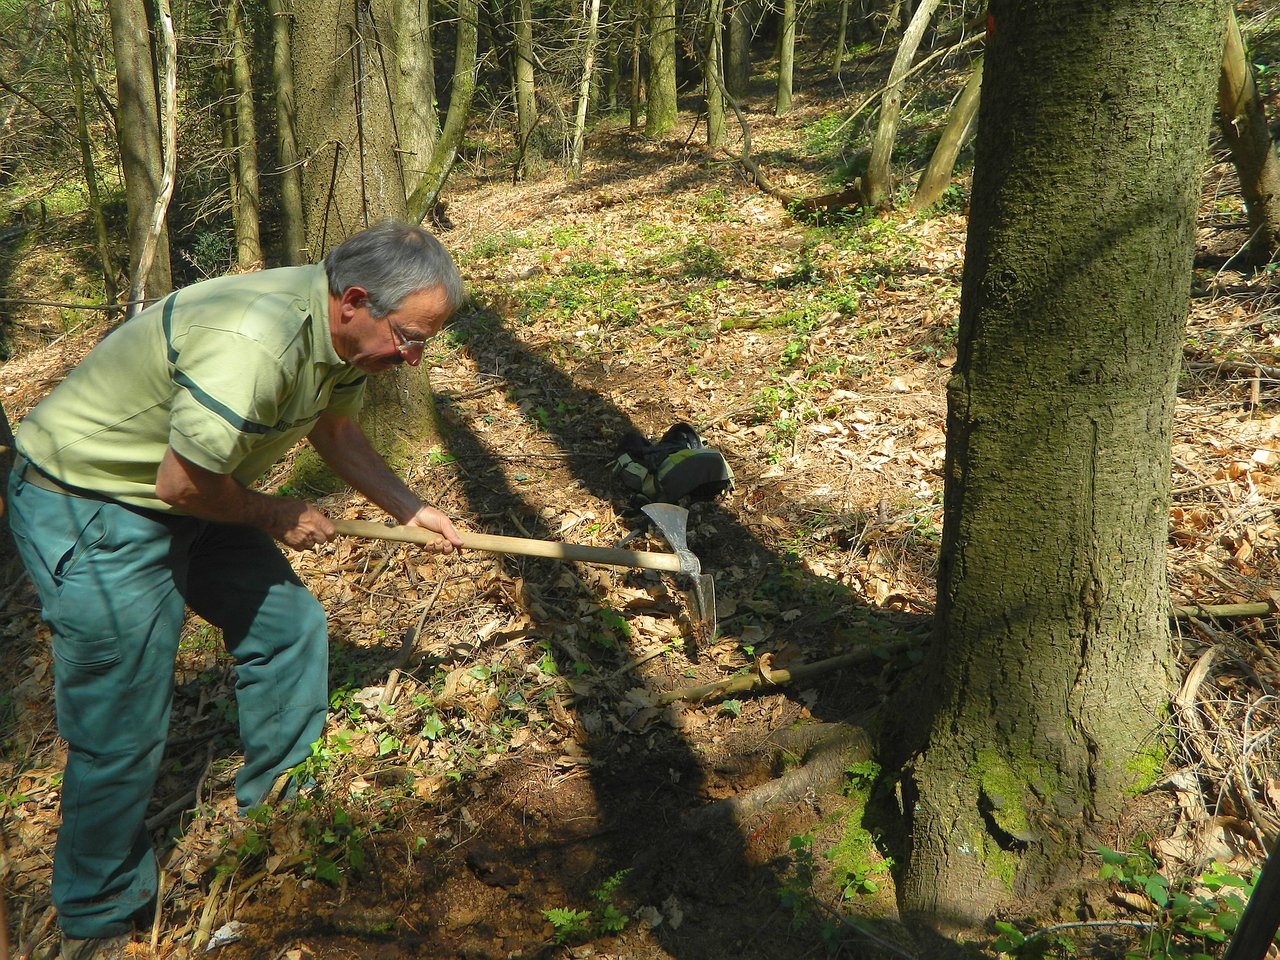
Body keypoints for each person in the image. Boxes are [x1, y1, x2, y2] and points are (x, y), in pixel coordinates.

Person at [7, 220, 466, 959]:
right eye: (409, 338)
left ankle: (278, 808)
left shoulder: (344, 340)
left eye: (424, 344)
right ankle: (97, 912)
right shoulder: (255, 340)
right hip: (93, 502)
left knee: (289, 626)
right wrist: (275, 513)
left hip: (194, 491)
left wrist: (409, 509)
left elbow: (335, 429)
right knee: (122, 714)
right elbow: (182, 483)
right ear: (354, 300)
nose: (412, 359)